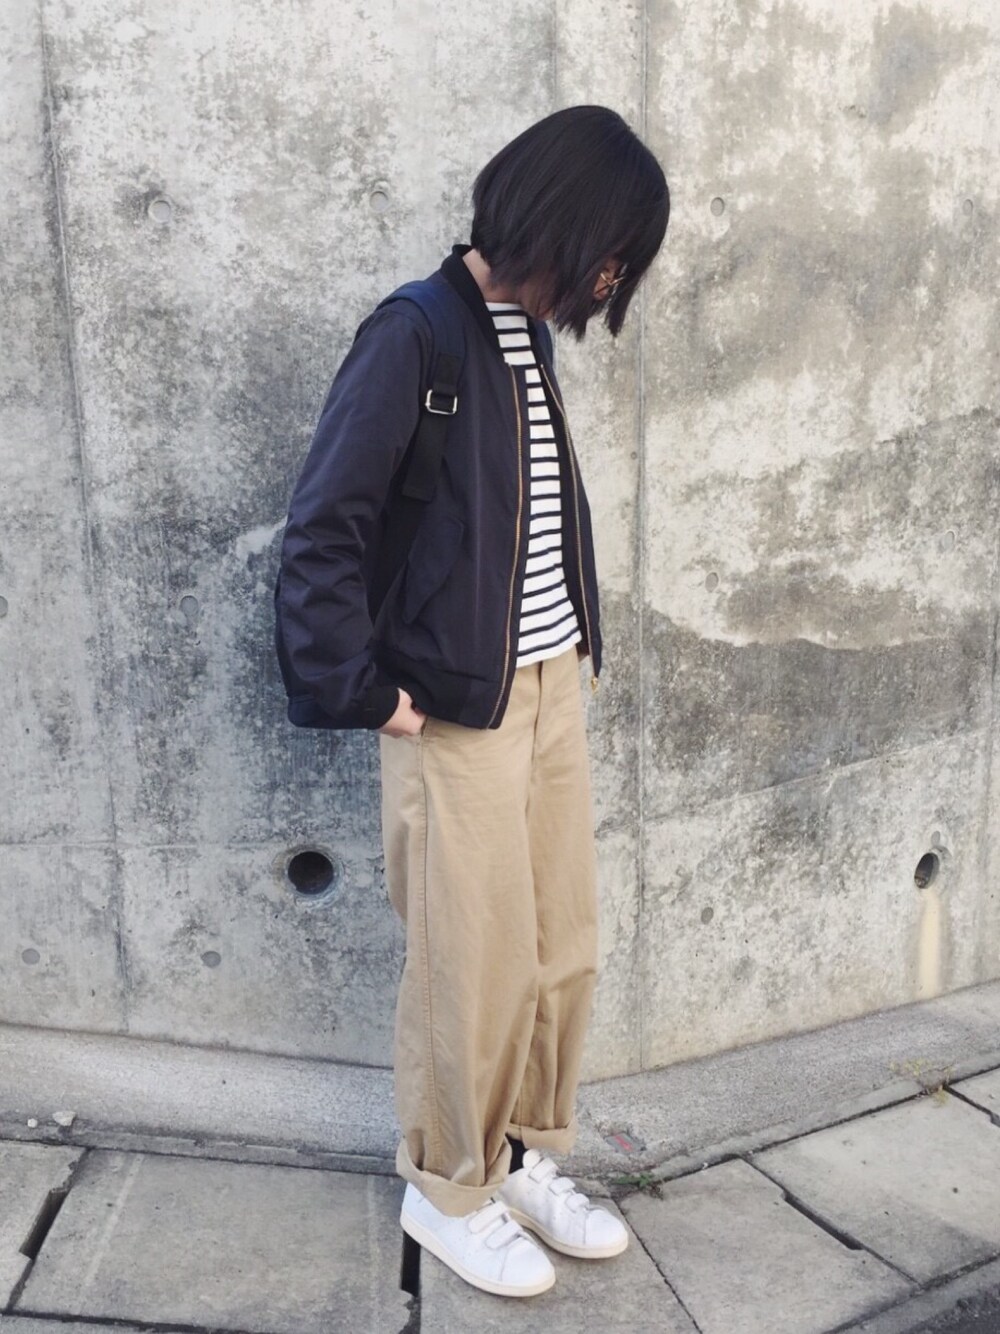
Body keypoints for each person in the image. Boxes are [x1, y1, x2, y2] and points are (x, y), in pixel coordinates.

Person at [276, 104, 668, 1298]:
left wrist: (568, 650)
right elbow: (325, 525)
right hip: (453, 707)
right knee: (473, 961)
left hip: (546, 684)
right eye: (611, 255)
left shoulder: (525, 336)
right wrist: (365, 691)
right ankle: (448, 1185)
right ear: (565, 219)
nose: (609, 283)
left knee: (558, 946)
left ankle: (521, 1155)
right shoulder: (416, 332)